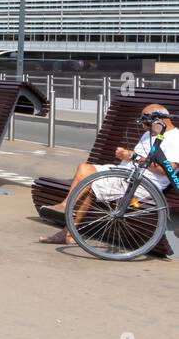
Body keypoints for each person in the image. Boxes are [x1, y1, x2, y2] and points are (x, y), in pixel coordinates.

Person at [40, 104, 179, 245]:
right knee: (84, 169)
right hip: (124, 174)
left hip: (142, 183)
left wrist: (132, 156)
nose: (144, 127)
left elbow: (167, 170)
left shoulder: (175, 138)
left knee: (90, 183)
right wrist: (127, 156)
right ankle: (65, 207)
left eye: (147, 122)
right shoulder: (151, 134)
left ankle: (67, 231)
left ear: (160, 120)